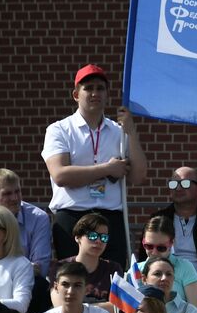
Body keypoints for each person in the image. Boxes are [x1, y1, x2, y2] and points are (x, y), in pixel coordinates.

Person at [42, 64, 145, 268]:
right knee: (72, 281)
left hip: (110, 218)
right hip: (72, 216)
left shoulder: (119, 131)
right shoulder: (59, 129)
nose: (95, 93)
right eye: (88, 88)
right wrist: (107, 169)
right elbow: (61, 175)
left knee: (111, 282)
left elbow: (138, 176)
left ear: (107, 94)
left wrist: (131, 133)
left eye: (100, 88)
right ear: (76, 94)